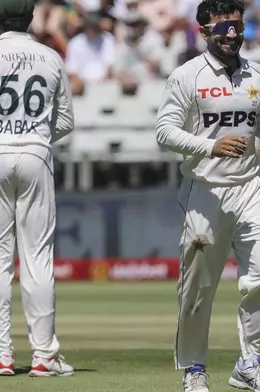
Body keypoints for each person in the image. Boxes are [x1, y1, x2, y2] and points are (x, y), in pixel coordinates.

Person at [155, 0, 260, 391]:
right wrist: (209, 147)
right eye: (223, 30)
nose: (231, 37)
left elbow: (258, 114)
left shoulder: (256, 72)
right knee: (198, 287)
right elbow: (164, 132)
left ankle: (249, 364)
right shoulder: (186, 76)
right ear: (204, 32)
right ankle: (194, 370)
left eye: (237, 29)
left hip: (249, 187)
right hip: (204, 190)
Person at [0, 0, 75, 377]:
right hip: (35, 153)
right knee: (37, 257)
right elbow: (65, 121)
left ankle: (2, 356)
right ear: (30, 18)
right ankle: (44, 356)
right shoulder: (49, 55)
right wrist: (36, 136)